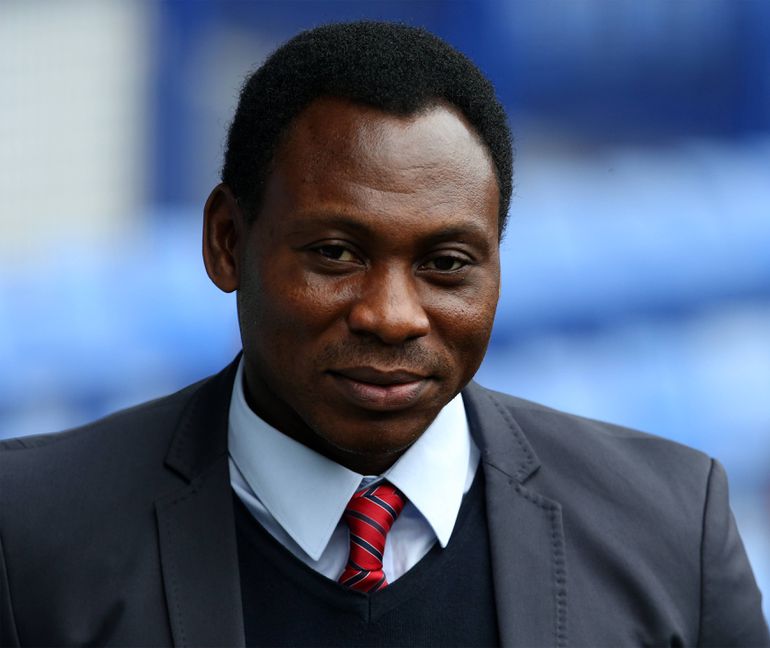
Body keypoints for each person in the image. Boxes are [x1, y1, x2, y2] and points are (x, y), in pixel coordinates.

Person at [0, 21, 767, 648]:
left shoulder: (672, 526)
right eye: (337, 254)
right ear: (228, 242)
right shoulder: (29, 531)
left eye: (446, 264)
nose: (393, 315)